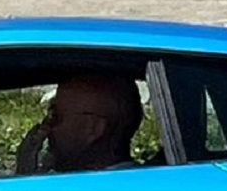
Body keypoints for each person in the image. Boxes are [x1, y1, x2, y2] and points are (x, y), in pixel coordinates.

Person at [15, 74, 143, 175]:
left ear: (92, 128)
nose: (46, 127)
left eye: (54, 116)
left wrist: (23, 178)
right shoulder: (138, 185)